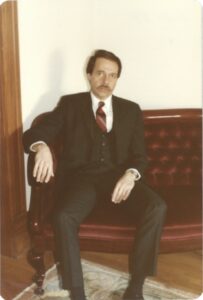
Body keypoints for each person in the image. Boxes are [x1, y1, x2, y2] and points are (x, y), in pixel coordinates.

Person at [23, 49, 167, 300]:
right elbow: (34, 134)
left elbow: (140, 156)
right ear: (89, 75)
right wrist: (41, 146)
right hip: (83, 180)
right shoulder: (70, 104)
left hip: (118, 178)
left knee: (157, 206)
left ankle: (135, 289)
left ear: (117, 79)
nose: (106, 80)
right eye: (100, 73)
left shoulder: (131, 110)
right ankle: (77, 292)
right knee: (64, 216)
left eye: (112, 75)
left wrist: (131, 175)